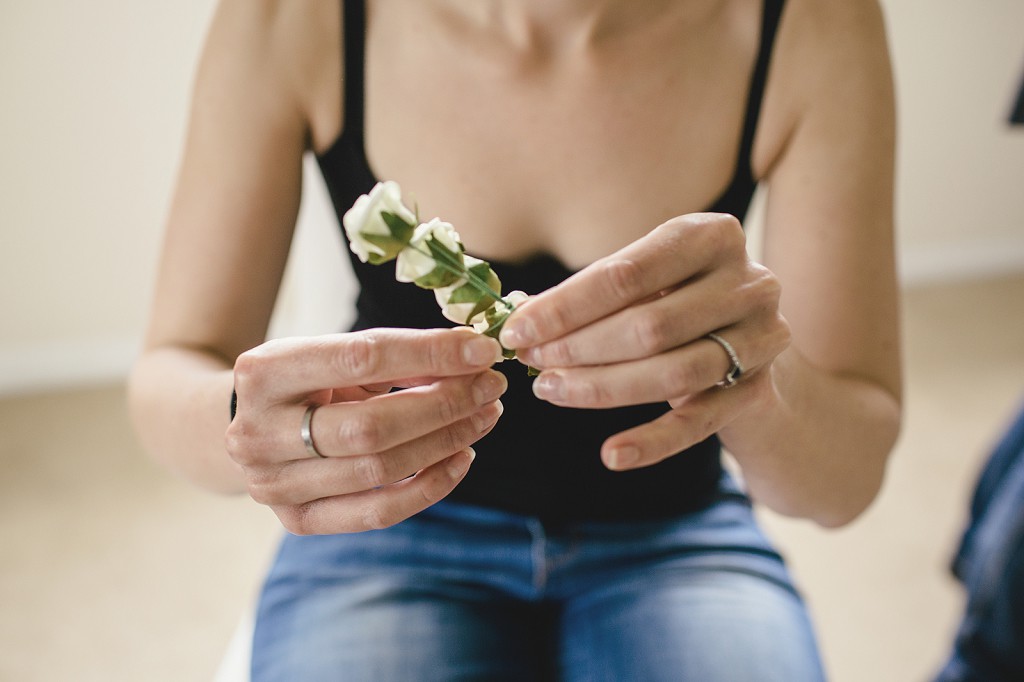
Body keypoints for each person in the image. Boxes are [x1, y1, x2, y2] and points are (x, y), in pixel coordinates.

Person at [128, 0, 901, 679]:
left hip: (677, 530)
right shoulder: (293, 14)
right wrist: (249, 423)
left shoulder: (812, 19)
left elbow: (844, 484)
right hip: (386, 529)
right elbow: (169, 371)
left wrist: (757, 383)